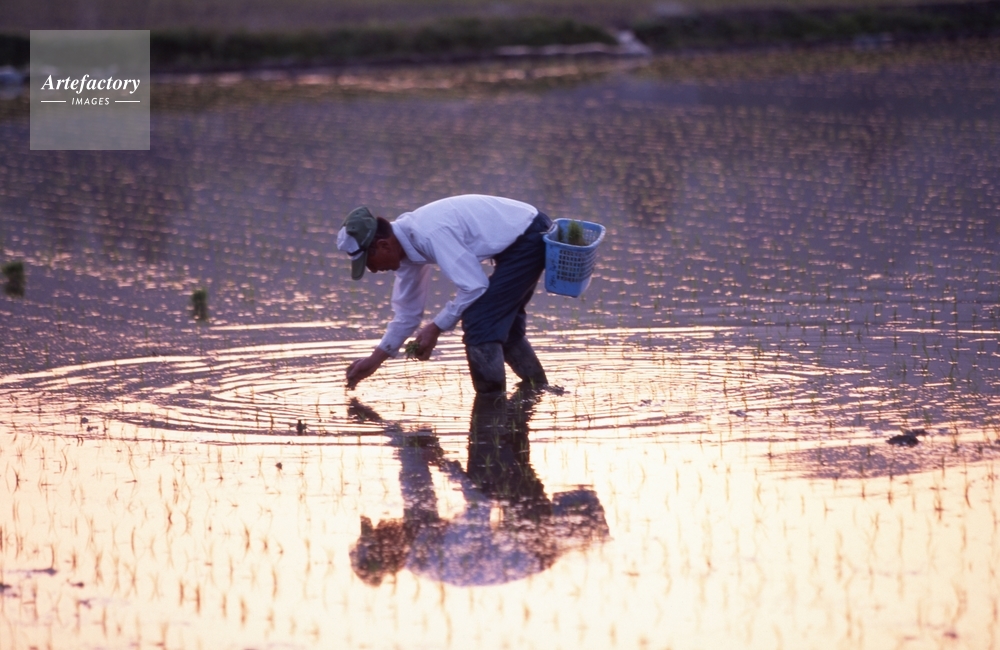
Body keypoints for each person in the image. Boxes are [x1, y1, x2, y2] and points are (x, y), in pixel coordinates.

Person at [339, 194, 551, 395]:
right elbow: (407, 315)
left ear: (383, 245)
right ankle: (537, 388)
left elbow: (474, 286)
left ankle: (491, 404)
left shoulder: (429, 233)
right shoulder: (404, 250)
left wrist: (436, 327)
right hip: (518, 240)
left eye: (368, 263)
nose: (373, 270)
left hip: (529, 235)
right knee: (502, 323)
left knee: (479, 320)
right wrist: (374, 360)